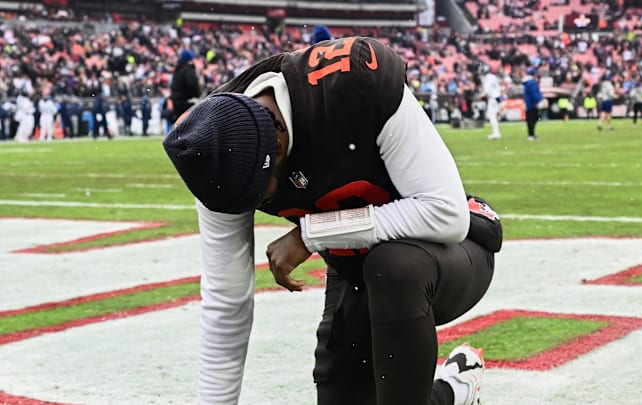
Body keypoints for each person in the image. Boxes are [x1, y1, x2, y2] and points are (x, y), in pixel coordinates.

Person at [162, 36, 501, 405]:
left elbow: (444, 213)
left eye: (260, 196)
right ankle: (455, 390)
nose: (261, 206)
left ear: (277, 147)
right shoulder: (212, 148)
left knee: (394, 266)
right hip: (354, 270)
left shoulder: (353, 81)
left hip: (448, 253)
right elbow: (227, 303)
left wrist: (311, 233)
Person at [169, 49, 201, 123]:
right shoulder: (188, 70)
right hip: (186, 103)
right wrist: (196, 95)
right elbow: (192, 86)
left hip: (176, 103)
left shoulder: (177, 70)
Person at [481, 65, 504, 139]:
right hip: (497, 97)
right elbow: (498, 87)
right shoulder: (493, 77)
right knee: (493, 115)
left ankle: (496, 133)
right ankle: (496, 132)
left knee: (491, 116)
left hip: (492, 98)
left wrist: (482, 95)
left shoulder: (486, 78)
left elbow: (487, 90)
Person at [523, 67, 543, 141]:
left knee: (531, 119)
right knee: (532, 119)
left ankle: (531, 134)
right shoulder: (532, 82)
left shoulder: (528, 82)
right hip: (532, 104)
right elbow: (534, 93)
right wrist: (539, 100)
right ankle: (531, 135)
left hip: (529, 103)